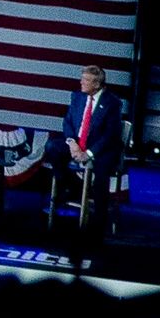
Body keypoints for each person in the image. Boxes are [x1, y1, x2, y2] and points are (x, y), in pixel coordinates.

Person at [54, 65, 129, 221]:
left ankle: (99, 219)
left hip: (100, 148)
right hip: (76, 144)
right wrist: (72, 143)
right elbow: (67, 122)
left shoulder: (112, 103)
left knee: (103, 165)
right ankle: (75, 187)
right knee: (52, 148)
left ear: (97, 84)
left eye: (86, 80)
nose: (81, 82)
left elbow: (110, 135)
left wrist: (88, 153)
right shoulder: (77, 97)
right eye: (82, 78)